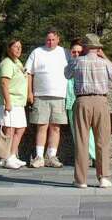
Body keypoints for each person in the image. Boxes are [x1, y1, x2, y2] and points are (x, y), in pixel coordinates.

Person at [65, 33, 112, 189]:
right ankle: (104, 177)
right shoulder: (104, 63)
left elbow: (66, 74)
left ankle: (81, 180)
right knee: (102, 141)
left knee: (82, 141)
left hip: (82, 101)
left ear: (85, 47)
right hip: (101, 101)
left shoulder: (77, 61)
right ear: (98, 48)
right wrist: (105, 57)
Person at [24, 29, 69, 168]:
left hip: (60, 95)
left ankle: (51, 156)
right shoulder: (37, 52)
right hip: (40, 95)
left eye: (53, 39)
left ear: (58, 39)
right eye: (48, 40)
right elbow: (28, 73)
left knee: (56, 127)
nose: (50, 42)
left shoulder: (65, 53)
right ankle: (39, 157)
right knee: (41, 126)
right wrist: (29, 92)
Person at [0, 38, 29, 169]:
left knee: (20, 128)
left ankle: (11, 155)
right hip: (9, 101)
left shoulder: (18, 62)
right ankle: (6, 158)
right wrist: (8, 102)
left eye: (20, 46)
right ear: (8, 49)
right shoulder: (7, 63)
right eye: (15, 47)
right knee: (10, 129)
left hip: (18, 102)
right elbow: (4, 83)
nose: (19, 49)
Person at [64, 39, 96, 164]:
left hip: (83, 101)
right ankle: (85, 157)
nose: (76, 54)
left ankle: (95, 156)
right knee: (76, 133)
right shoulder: (67, 65)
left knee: (89, 131)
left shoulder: (85, 64)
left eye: (79, 52)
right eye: (73, 52)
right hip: (71, 103)